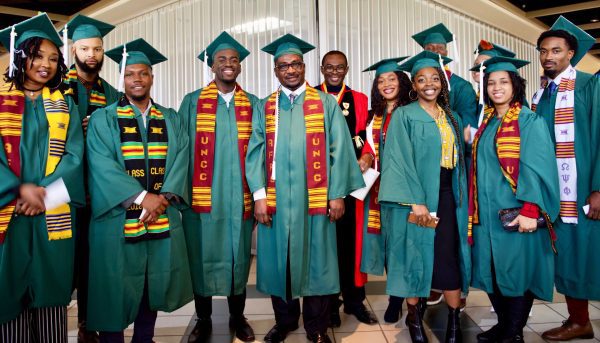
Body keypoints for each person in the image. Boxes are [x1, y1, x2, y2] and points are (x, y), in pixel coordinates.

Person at [245, 33, 364, 343]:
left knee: (317, 266)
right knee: (279, 265)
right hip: (277, 201)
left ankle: (316, 327)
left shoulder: (324, 103)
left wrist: (338, 194)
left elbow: (341, 150)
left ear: (304, 67)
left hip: (317, 200)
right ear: (275, 71)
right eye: (283, 66)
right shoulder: (265, 106)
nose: (291, 70)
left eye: (296, 64)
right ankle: (284, 322)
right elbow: (255, 152)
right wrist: (259, 196)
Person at [86, 38, 193, 342]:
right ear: (122, 79)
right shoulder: (103, 119)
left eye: (143, 73)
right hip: (116, 220)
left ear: (151, 77)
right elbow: (101, 163)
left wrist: (162, 197)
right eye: (130, 74)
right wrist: (142, 196)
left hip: (160, 215)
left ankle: (144, 338)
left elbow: (181, 158)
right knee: (113, 287)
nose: (137, 79)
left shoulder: (169, 118)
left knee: (151, 283)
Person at [0, 13, 85, 341]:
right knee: (8, 299)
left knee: (51, 298)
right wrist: (18, 191)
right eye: (37, 56)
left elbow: (75, 159)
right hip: (11, 215)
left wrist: (44, 196)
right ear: (20, 57)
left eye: (53, 58)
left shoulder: (65, 106)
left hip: (52, 212)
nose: (46, 64)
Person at [378, 50, 470, 343]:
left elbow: (460, 162)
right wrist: (416, 203)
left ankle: (454, 321)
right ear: (413, 85)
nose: (428, 84)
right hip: (416, 198)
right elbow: (397, 160)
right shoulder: (404, 115)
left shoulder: (452, 117)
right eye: (421, 79)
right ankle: (414, 317)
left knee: (447, 257)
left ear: (441, 82)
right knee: (413, 257)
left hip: (447, 195)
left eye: (434, 78)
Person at [467, 56, 560, 343]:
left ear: (515, 86)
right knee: (492, 271)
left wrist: (531, 210)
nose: (496, 87)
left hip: (515, 212)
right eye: (491, 83)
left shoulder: (528, 120)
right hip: (486, 215)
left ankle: (513, 331)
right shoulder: (487, 123)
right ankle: (505, 324)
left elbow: (537, 165)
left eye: (503, 82)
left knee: (517, 273)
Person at [178, 31, 257, 343]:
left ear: (239, 66)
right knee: (201, 258)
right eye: (222, 60)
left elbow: (262, 151)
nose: (228, 64)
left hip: (240, 198)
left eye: (233, 60)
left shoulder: (252, 104)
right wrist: (179, 193)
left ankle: (238, 317)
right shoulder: (192, 102)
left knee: (239, 257)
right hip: (202, 199)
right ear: (211, 66)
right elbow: (181, 150)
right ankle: (204, 320)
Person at [531, 16, 600, 341]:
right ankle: (579, 320)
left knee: (584, 254)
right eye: (544, 51)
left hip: (582, 190)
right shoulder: (541, 94)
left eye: (556, 51)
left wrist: (599, 188)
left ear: (571, 53)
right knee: (568, 255)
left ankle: (579, 320)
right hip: (552, 192)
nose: (548, 57)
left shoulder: (588, 85)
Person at [60, 14, 119, 342]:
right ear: (73, 51)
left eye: (97, 48)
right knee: (62, 257)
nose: (92, 55)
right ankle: (51, 319)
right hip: (63, 191)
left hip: (97, 192)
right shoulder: (56, 87)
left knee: (91, 260)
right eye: (85, 49)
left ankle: (86, 324)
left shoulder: (110, 93)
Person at [314, 50, 377, 327]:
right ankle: (328, 305)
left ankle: (354, 301)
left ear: (347, 68)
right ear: (321, 68)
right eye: (329, 67)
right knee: (324, 244)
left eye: (340, 67)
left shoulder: (360, 99)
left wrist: (368, 155)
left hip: (352, 184)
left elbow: (367, 136)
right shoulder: (311, 96)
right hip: (319, 182)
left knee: (352, 244)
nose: (334, 71)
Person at [359, 57, 412, 324]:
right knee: (389, 245)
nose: (386, 84)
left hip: (403, 191)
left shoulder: (412, 111)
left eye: (392, 79)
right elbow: (371, 146)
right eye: (381, 80)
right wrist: (365, 158)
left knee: (403, 245)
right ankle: (396, 295)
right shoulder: (374, 116)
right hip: (379, 190)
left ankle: (401, 299)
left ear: (402, 82)